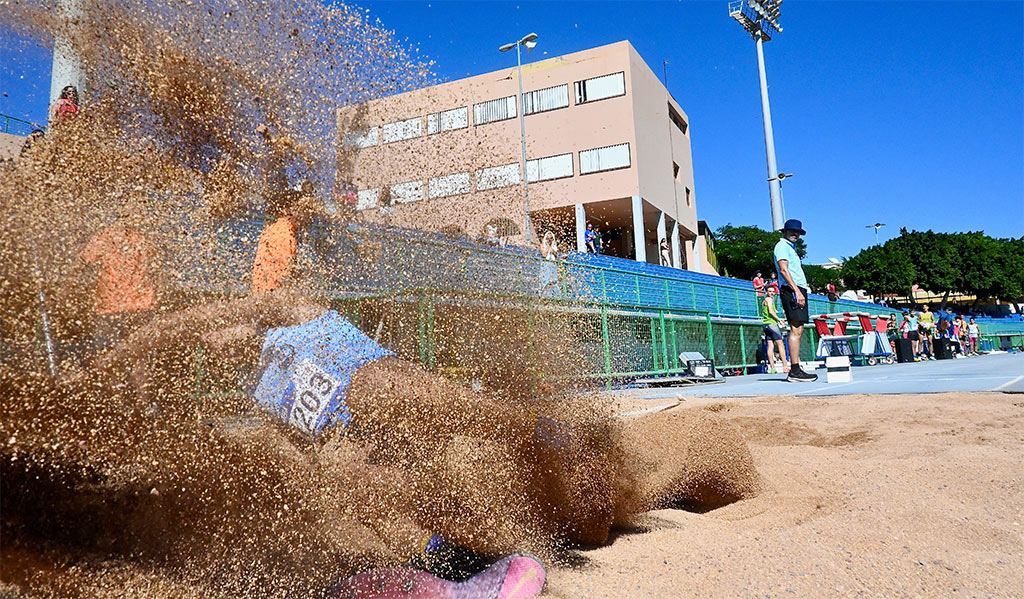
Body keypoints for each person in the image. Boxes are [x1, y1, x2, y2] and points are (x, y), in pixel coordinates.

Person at [78, 209, 159, 353]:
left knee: (107, 353)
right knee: (141, 351)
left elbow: (83, 261)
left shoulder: (104, 236)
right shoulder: (144, 239)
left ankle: (106, 374)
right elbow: (156, 267)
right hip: (141, 304)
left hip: (110, 305)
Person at [772, 219, 817, 382]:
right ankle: (795, 369)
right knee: (795, 327)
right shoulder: (782, 246)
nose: (795, 234)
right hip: (791, 289)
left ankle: (796, 368)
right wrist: (796, 291)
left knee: (798, 329)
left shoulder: (791, 248)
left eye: (798, 232)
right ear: (785, 231)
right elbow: (784, 270)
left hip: (797, 288)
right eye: (792, 231)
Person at [760, 286, 788, 374]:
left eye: (773, 291)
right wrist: (779, 320)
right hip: (772, 325)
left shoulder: (764, 301)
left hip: (766, 325)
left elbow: (768, 313)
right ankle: (785, 367)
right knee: (780, 345)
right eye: (770, 291)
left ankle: (772, 368)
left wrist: (778, 319)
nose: (772, 293)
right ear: (766, 292)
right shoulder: (769, 300)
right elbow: (771, 312)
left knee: (770, 346)